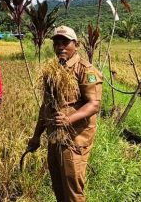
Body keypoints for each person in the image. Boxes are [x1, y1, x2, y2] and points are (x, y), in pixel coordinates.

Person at [26, 25, 103, 202]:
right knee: (58, 186)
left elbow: (94, 104)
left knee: (72, 189)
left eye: (65, 43)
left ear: (76, 45)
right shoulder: (52, 72)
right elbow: (46, 106)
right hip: (55, 137)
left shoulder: (86, 70)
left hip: (75, 140)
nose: (60, 47)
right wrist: (36, 136)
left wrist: (68, 119)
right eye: (57, 43)